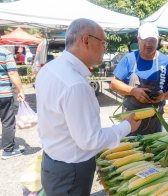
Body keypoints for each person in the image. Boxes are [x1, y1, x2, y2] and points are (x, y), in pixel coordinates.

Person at [35, 18, 141, 195]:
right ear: (85, 40)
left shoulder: (49, 69)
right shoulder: (75, 84)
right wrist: (127, 126)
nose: (104, 48)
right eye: (103, 42)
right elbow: (90, 140)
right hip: (71, 171)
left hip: (52, 162)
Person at [111, 23, 168, 135]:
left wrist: (163, 96)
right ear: (138, 39)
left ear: (158, 40)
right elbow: (114, 83)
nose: (149, 43)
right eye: (145, 40)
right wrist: (133, 91)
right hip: (130, 120)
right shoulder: (129, 59)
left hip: (155, 122)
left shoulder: (167, 62)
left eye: (152, 40)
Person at [0, 46, 25, 160]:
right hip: (3, 94)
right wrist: (20, 90)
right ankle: (8, 150)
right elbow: (13, 73)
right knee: (7, 121)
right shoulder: (5, 53)